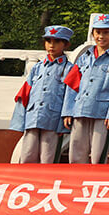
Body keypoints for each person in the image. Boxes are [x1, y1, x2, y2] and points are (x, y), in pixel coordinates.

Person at [62, 14, 109, 164]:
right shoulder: (84, 58)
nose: (101, 36)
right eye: (98, 32)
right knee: (77, 149)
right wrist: (68, 110)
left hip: (102, 112)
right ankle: (76, 180)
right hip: (80, 109)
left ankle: (95, 182)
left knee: (98, 152)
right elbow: (72, 85)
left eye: (106, 32)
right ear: (93, 34)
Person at [10, 25, 75, 163]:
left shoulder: (69, 69)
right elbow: (25, 93)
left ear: (65, 44)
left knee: (48, 157)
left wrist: (66, 116)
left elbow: (70, 95)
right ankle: (26, 183)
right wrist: (21, 119)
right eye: (48, 41)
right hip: (33, 117)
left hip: (53, 118)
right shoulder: (38, 67)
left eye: (57, 41)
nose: (52, 45)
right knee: (27, 154)